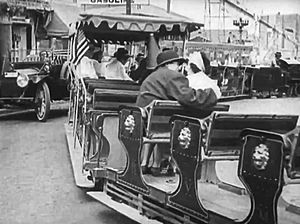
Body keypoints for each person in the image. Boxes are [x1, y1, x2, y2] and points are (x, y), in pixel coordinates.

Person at [137, 50, 218, 176]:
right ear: (168, 64)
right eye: (177, 63)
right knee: (190, 126)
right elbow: (190, 97)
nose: (180, 67)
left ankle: (153, 164)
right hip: (161, 126)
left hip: (144, 122)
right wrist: (211, 95)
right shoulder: (171, 75)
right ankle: (187, 170)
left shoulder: (153, 76)